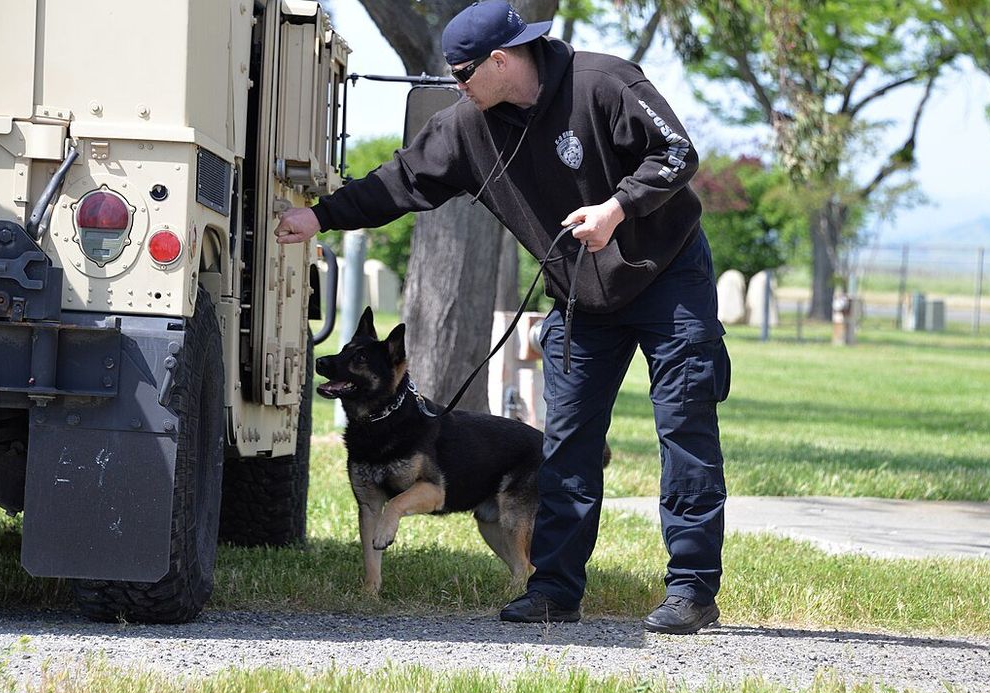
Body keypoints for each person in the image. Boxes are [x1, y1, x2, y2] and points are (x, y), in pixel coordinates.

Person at [275, 0, 730, 635]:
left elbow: (679, 153)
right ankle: (554, 590)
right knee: (565, 443)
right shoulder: (468, 127)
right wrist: (317, 217)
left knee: (684, 428)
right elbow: (401, 180)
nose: (455, 88)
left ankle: (690, 591)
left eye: (461, 74)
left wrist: (616, 209)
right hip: (580, 296)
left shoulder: (604, 84)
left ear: (500, 59)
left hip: (667, 276)